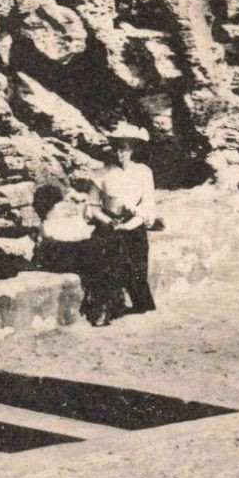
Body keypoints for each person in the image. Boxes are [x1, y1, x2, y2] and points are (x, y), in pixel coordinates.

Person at [81, 123, 160, 327]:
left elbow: (148, 205)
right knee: (107, 267)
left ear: (132, 149)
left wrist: (132, 223)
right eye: (116, 147)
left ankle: (141, 306)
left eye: (124, 148)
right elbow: (91, 207)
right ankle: (104, 311)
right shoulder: (101, 174)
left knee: (137, 268)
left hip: (134, 227)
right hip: (108, 227)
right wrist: (109, 222)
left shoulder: (143, 172)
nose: (119, 153)